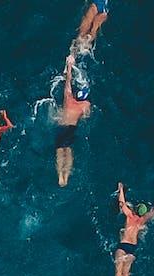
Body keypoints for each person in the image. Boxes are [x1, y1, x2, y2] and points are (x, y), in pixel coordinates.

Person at [109, 182, 154, 276]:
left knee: (119, 267)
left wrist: (121, 189)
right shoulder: (142, 221)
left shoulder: (129, 217)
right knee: (126, 271)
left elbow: (122, 204)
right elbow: (153, 212)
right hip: (133, 248)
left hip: (123, 245)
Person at [54, 55, 91, 188]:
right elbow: (86, 116)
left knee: (59, 150)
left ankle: (60, 175)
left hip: (61, 126)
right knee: (68, 151)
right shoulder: (85, 105)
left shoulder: (68, 98)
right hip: (71, 128)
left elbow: (68, 81)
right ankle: (66, 175)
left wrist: (69, 65)